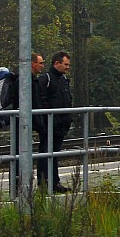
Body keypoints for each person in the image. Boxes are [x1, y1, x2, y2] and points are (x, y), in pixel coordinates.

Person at [36, 50, 72, 193]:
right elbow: (41, 99)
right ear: (57, 63)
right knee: (45, 152)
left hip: (61, 124)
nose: (68, 67)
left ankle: (55, 182)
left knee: (55, 153)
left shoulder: (63, 80)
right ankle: (44, 183)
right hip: (49, 123)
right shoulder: (46, 79)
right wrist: (45, 120)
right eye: (66, 64)